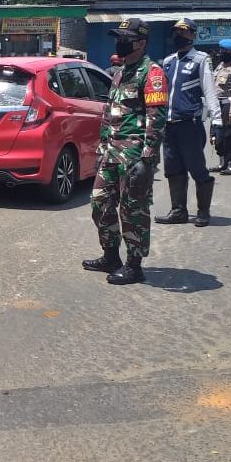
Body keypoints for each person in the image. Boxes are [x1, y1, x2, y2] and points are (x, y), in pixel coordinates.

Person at [83, 18, 168, 285]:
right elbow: (109, 114)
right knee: (100, 202)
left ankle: (134, 265)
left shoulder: (152, 73)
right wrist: (101, 149)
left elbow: (158, 118)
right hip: (110, 152)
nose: (120, 43)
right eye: (118, 38)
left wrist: (148, 158)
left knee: (133, 209)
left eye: (125, 38)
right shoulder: (119, 73)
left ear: (141, 42)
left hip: (134, 156)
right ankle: (110, 255)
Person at [154, 19, 222, 228]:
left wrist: (217, 121)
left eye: (183, 32)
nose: (178, 36)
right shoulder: (168, 61)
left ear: (193, 35)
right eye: (175, 32)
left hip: (190, 125)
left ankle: (203, 211)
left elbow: (210, 91)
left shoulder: (201, 60)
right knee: (173, 168)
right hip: (169, 124)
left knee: (197, 168)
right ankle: (178, 211)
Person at [210, 39, 231, 175]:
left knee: (230, 135)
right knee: (216, 135)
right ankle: (222, 162)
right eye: (221, 50)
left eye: (224, 51)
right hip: (217, 105)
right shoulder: (220, 66)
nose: (221, 53)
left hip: (229, 105)